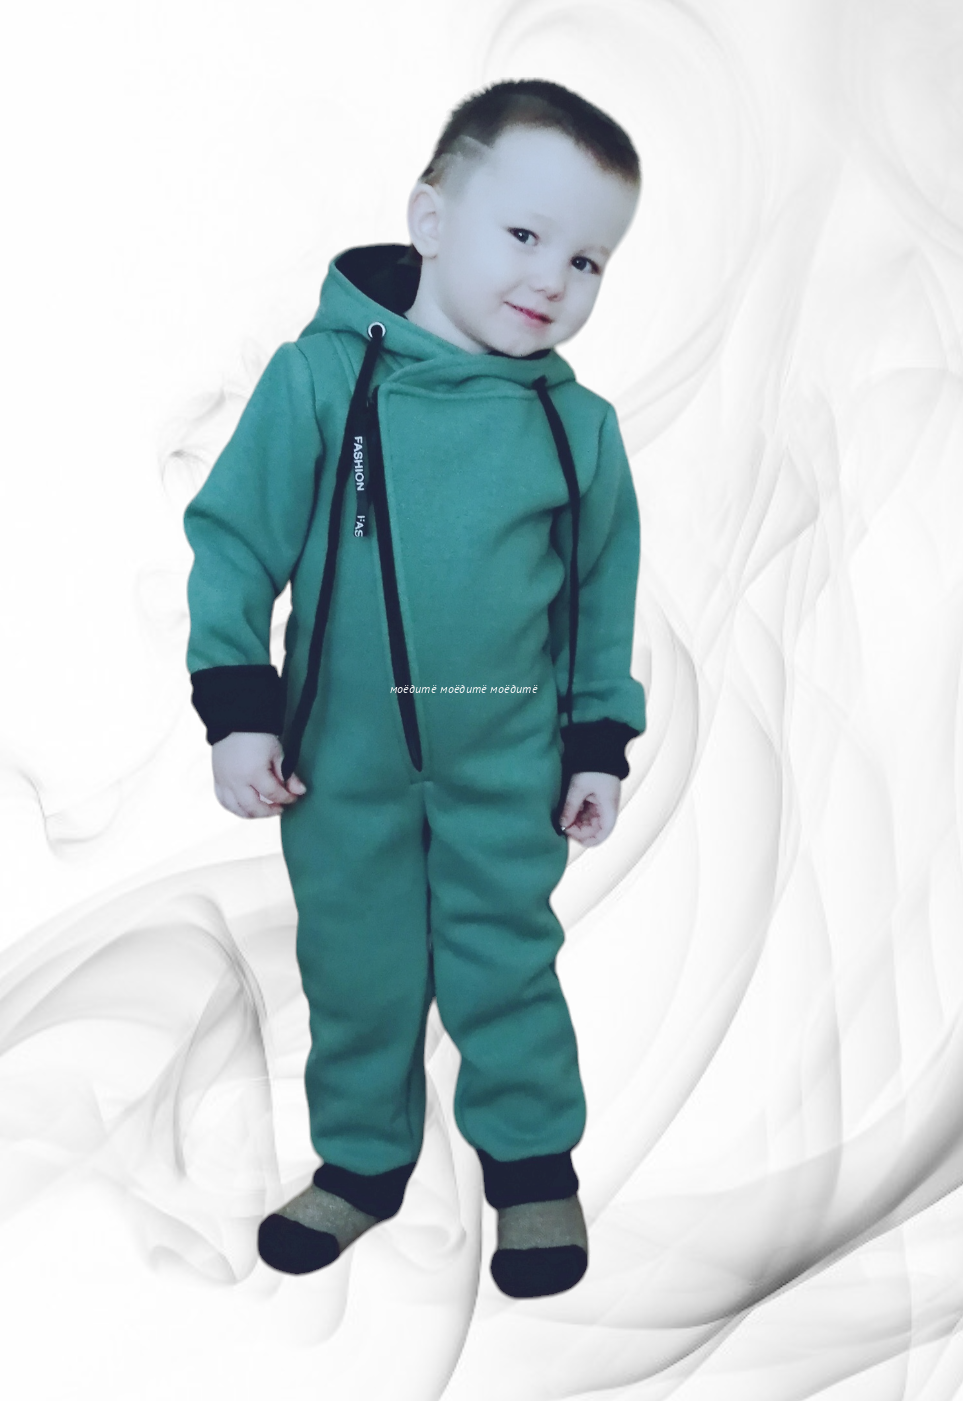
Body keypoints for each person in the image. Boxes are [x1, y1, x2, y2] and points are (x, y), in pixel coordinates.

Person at [182, 78, 647, 1298]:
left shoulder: (577, 429)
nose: (552, 279)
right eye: (524, 234)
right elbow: (235, 543)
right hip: (339, 767)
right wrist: (238, 711)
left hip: (507, 768)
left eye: (588, 260)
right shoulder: (320, 380)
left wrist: (596, 743)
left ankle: (533, 1173)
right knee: (357, 971)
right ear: (430, 219)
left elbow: (599, 600)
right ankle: (362, 1166)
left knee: (506, 966)